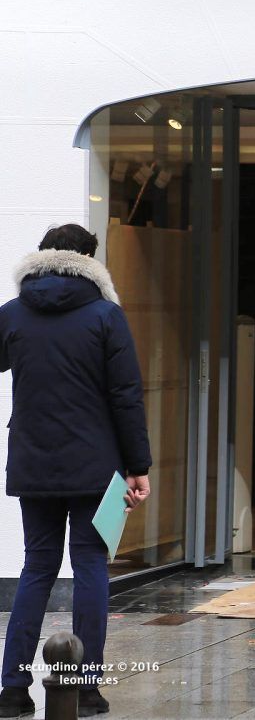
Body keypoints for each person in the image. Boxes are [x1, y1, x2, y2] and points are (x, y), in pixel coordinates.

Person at [0, 225, 152, 717]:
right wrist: (138, 466)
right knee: (89, 566)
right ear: (90, 260)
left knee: (37, 567)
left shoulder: (12, 314)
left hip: (33, 461)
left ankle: (12, 690)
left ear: (43, 256)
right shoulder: (106, 316)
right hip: (95, 466)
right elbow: (125, 395)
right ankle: (83, 689)